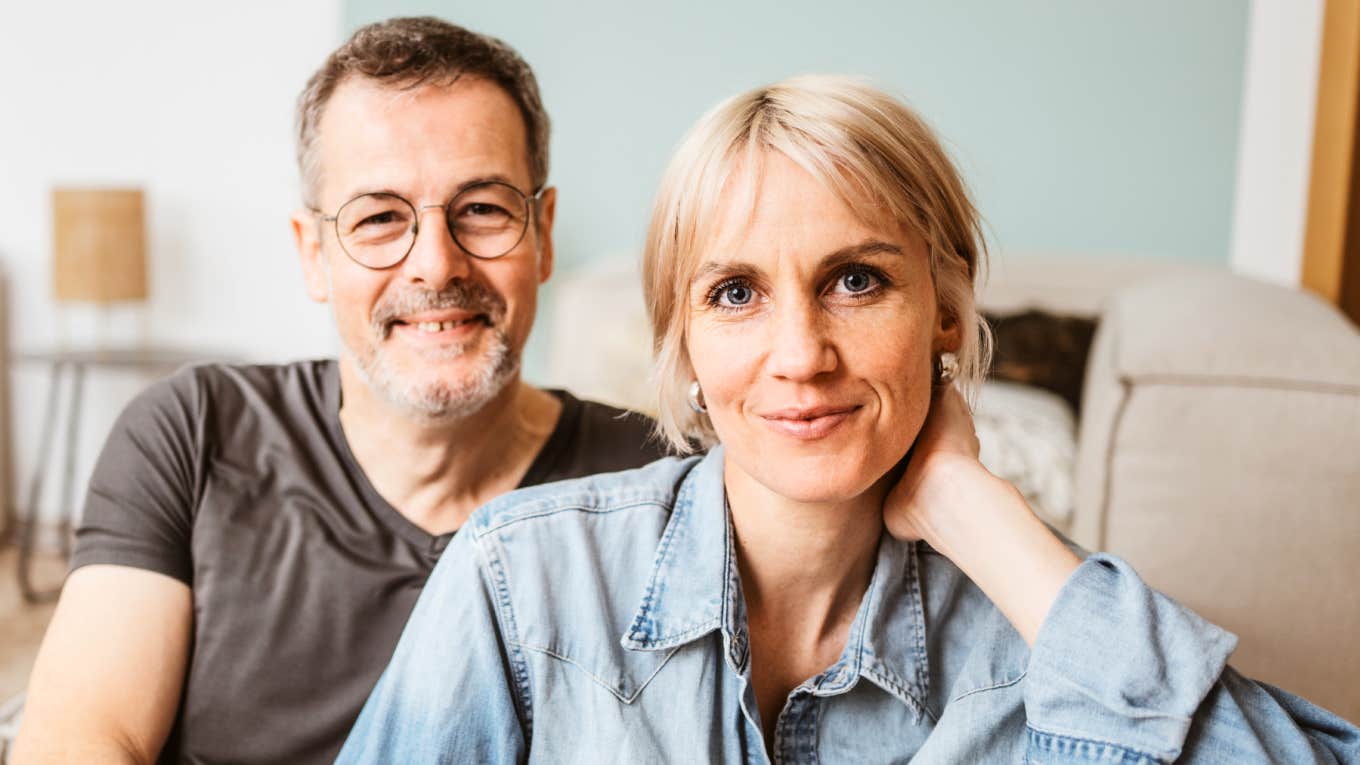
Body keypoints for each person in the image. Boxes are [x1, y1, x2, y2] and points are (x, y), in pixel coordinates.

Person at [336, 76, 1360, 763]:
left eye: (856, 280)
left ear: (948, 311)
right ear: (682, 344)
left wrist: (976, 510)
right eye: (734, 292)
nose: (799, 356)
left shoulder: (1042, 633)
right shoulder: (523, 581)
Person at [12, 17, 668, 765]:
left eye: (482, 208)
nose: (435, 265)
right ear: (313, 253)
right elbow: (80, 740)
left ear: (542, 234)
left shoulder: (654, 485)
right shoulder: (192, 432)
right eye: (380, 218)